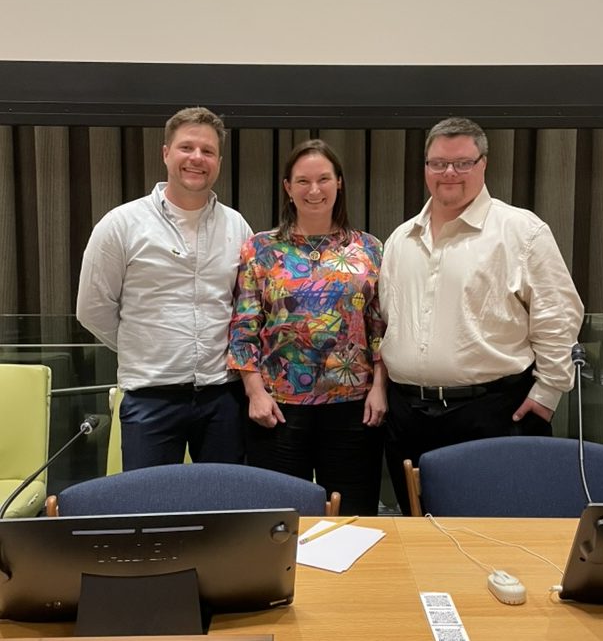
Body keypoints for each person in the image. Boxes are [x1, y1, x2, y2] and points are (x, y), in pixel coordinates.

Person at [379, 116, 584, 515]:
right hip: (408, 418)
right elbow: (390, 320)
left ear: (484, 164)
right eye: (438, 163)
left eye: (462, 162)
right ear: (425, 167)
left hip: (492, 414)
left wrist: (547, 393)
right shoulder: (401, 239)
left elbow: (559, 317)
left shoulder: (521, 232)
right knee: (418, 531)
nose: (449, 173)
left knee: (493, 536)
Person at [77, 106, 253, 470]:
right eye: (187, 147)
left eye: (207, 151)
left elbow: (247, 309)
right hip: (150, 400)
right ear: (166, 153)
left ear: (219, 161)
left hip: (223, 397)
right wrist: (142, 345)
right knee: (150, 513)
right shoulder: (121, 224)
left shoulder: (237, 226)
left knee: (223, 509)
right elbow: (93, 309)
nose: (197, 158)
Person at [228, 139, 386, 515]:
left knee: (355, 517)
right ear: (288, 187)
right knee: (280, 522)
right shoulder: (261, 249)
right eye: (303, 181)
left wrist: (380, 387)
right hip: (278, 409)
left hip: (353, 408)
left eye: (323, 179)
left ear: (339, 183)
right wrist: (254, 393)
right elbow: (244, 324)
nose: (314, 190)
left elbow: (380, 325)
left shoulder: (368, 249)